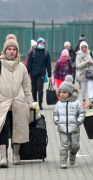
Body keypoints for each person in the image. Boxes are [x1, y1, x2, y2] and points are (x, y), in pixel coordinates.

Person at [0, 34, 33, 168]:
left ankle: (16, 154)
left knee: (18, 128)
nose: (11, 51)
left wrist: (30, 103)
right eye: (9, 49)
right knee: (3, 129)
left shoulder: (22, 67)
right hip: (3, 103)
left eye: (14, 49)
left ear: (17, 51)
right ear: (5, 50)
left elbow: (27, 88)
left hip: (19, 103)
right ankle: (3, 156)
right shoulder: (0, 65)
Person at [53, 75, 85, 169]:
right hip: (62, 129)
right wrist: (57, 121)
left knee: (75, 145)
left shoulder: (76, 103)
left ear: (70, 93)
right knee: (64, 144)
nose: (62, 94)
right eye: (60, 92)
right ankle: (63, 160)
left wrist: (78, 122)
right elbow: (55, 114)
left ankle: (73, 153)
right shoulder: (58, 104)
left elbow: (82, 113)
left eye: (64, 92)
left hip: (74, 128)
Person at [27, 37, 52, 110]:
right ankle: (35, 103)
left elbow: (48, 65)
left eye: (43, 43)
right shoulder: (32, 53)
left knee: (40, 88)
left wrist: (50, 75)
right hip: (33, 73)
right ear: (37, 44)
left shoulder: (46, 53)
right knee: (34, 89)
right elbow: (29, 64)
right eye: (40, 43)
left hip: (41, 73)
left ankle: (40, 104)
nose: (42, 44)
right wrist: (26, 73)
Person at [76, 41, 93, 108]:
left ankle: (90, 102)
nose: (84, 49)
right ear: (80, 48)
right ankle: (84, 101)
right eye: (82, 47)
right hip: (83, 74)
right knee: (83, 89)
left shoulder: (91, 53)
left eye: (85, 47)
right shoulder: (78, 55)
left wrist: (91, 62)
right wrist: (85, 62)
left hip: (91, 73)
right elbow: (78, 66)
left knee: (90, 88)